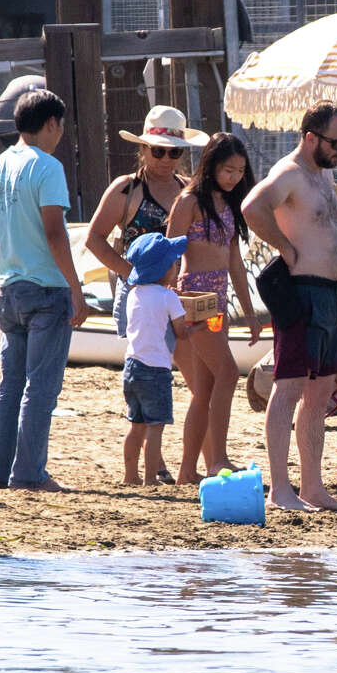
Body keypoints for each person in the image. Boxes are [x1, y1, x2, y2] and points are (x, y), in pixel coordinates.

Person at [241, 100, 337, 513]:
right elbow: (252, 206)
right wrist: (284, 247)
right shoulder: (289, 173)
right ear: (311, 137)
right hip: (300, 291)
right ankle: (280, 489)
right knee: (288, 387)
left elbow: (327, 234)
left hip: (330, 295)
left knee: (319, 393)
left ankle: (313, 487)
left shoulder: (322, 175)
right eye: (336, 142)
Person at [0, 89, 86, 492]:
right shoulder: (48, 167)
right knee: (40, 387)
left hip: (10, 286)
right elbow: (55, 233)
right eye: (61, 125)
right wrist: (76, 289)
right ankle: (28, 474)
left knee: (10, 385)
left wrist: (3, 270)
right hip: (46, 288)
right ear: (51, 123)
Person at [166, 133, 262, 485]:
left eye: (239, 171)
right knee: (227, 373)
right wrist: (170, 303)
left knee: (205, 389)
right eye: (227, 170)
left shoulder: (228, 204)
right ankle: (217, 458)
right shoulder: (190, 200)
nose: (234, 177)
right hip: (192, 298)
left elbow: (236, 264)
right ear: (211, 166)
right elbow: (170, 251)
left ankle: (187, 470)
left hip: (218, 300)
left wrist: (250, 314)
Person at [85, 106, 207, 340]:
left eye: (174, 153)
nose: (166, 159)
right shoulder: (125, 189)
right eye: (159, 151)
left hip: (174, 293)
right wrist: (133, 273)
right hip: (136, 291)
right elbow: (94, 239)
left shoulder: (189, 190)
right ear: (143, 148)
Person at [121, 233, 192, 486]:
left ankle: (130, 476)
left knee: (136, 425)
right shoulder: (168, 297)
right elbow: (181, 333)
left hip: (132, 366)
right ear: (164, 269)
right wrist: (201, 326)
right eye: (174, 264)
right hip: (156, 370)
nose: (176, 267)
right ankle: (150, 478)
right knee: (155, 427)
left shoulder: (133, 294)